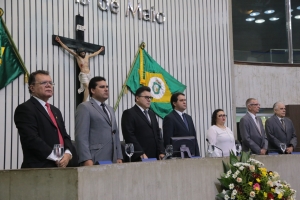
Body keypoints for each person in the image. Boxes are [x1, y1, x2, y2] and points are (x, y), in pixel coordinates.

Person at [14, 70, 73, 168]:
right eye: (44, 83)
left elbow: (64, 136)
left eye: (50, 83)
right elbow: (31, 139)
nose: (49, 85)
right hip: (39, 168)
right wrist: (56, 157)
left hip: (60, 166)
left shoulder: (55, 110)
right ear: (32, 88)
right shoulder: (25, 109)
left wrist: (67, 154)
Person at [75, 76, 123, 165]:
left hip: (113, 158)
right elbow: (81, 136)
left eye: (107, 87)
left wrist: (119, 156)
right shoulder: (85, 107)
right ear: (92, 90)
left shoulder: (110, 109)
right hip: (95, 158)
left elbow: (115, 134)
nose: (106, 89)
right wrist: (86, 159)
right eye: (102, 87)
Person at [121, 86, 165, 161]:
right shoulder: (129, 113)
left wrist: (161, 151)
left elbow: (157, 134)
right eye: (146, 97)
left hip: (156, 155)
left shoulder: (151, 114)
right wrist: (140, 153)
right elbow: (129, 135)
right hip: (140, 156)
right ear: (137, 98)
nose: (149, 100)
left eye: (150, 98)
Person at [55, 36, 105, 102]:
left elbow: (95, 54)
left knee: (91, 87)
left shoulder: (87, 57)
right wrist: (60, 41)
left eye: (84, 52)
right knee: (87, 86)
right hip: (83, 74)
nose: (83, 53)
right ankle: (84, 102)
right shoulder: (77, 57)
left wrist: (100, 50)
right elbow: (67, 49)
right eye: (82, 53)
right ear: (79, 53)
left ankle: (91, 101)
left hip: (89, 74)